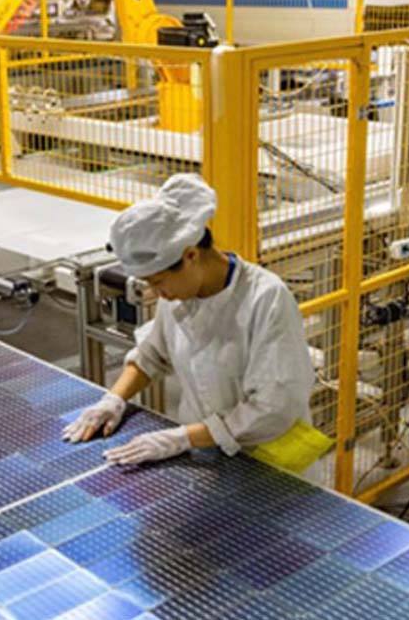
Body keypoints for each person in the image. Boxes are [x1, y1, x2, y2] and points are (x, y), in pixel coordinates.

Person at [62, 173, 316, 468]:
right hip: (206, 452)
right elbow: (151, 355)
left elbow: (274, 408)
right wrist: (113, 400)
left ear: (191, 255)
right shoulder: (181, 295)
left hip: (271, 461)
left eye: (158, 282)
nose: (157, 293)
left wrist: (181, 438)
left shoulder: (266, 299)